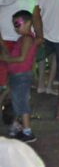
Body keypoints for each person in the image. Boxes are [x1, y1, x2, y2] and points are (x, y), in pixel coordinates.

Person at [0, 0, 42, 110]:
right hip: (4, 39)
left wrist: (39, 36)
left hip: (24, 41)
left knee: (22, 81)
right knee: (2, 82)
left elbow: (36, 14)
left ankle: (18, 115)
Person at [0, 10, 38, 143]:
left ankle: (27, 131)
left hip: (21, 76)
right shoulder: (22, 39)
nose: (16, 27)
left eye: (18, 24)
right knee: (17, 101)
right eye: (14, 24)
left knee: (21, 102)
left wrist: (4, 58)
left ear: (28, 23)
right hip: (18, 75)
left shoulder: (27, 38)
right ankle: (18, 127)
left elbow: (21, 58)